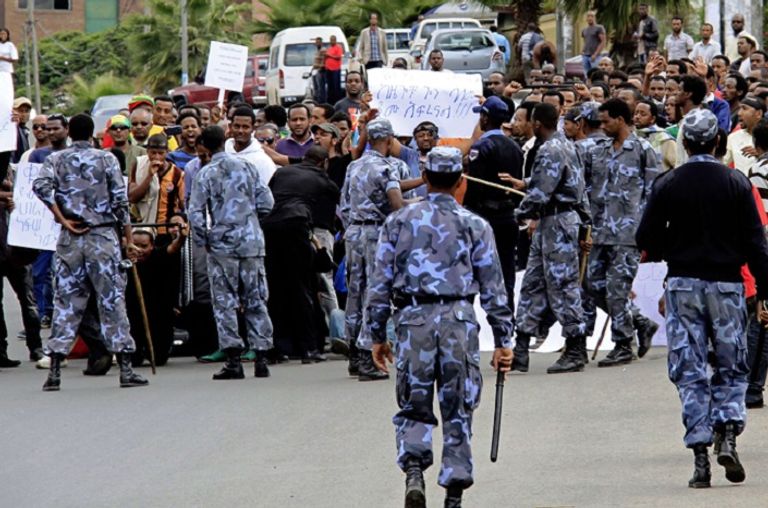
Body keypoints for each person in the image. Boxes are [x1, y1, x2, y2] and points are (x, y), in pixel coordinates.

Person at [367, 146, 513, 508]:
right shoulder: (475, 224)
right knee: (458, 407)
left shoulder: (397, 222)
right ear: (461, 181)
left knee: (414, 403)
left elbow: (379, 282)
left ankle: (415, 470)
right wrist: (503, 339)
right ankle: (454, 492)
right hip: (458, 323)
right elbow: (494, 286)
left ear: (426, 178)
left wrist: (374, 334)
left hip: (412, 320)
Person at [636, 108, 768, 488]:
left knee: (689, 368)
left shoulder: (667, 183)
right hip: (727, 286)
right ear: (716, 141)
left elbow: (646, 239)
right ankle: (727, 434)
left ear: (687, 144)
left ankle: (699, 457)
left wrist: (670, 247)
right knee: (731, 363)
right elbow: (755, 243)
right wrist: (763, 290)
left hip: (682, 285)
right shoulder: (736, 183)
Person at [32, 113, 147, 391]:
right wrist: (128, 239)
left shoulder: (55, 159)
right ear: (93, 132)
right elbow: (121, 202)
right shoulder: (106, 159)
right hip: (102, 237)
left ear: (70, 132)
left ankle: (55, 370)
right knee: (111, 301)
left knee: (67, 302)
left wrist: (60, 217)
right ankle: (126, 368)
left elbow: (40, 187)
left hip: (71, 238)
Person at [506, 103, 590, 374]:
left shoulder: (551, 149)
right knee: (532, 283)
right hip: (552, 222)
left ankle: (575, 346)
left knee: (563, 285)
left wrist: (520, 213)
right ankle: (521, 346)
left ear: (537, 123)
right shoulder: (565, 145)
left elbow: (543, 191)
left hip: (557, 221)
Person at [188, 125, 275, 380]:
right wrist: (251, 222)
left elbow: (195, 213)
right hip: (251, 241)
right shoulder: (247, 166)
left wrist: (203, 239)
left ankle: (233, 359)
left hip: (222, 244)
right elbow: (267, 202)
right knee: (256, 298)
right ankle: (261, 357)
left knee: (225, 301)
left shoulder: (205, 174)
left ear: (204, 144)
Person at [581, 99, 658, 368]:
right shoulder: (598, 151)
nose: (602, 127)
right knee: (591, 284)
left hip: (629, 233)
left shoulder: (643, 150)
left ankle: (624, 343)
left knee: (617, 288)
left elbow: (653, 193)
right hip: (601, 229)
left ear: (621, 120)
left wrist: (648, 231)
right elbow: (585, 183)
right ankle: (638, 321)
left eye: (606, 121)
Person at [340, 118, 415, 381]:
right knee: (375, 293)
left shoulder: (354, 165)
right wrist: (421, 202)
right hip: (376, 234)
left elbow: (344, 205)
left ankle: (352, 350)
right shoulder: (386, 167)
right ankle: (366, 354)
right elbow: (397, 203)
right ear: (389, 139)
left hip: (354, 233)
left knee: (355, 292)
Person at [262, 146, 338, 361]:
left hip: (270, 226)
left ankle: (277, 347)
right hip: (296, 225)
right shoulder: (322, 179)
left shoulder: (282, 172)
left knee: (275, 288)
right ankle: (308, 348)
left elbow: (268, 197)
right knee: (302, 287)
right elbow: (341, 199)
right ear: (323, 163)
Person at [463, 96, 523, 317]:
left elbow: (475, 185)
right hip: (508, 216)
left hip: (485, 217)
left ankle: (467, 322)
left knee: (471, 273)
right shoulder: (515, 147)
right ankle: (508, 323)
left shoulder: (482, 146)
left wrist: (467, 212)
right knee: (506, 274)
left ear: (485, 118)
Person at [128, 134, 185, 241]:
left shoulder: (177, 174)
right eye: (153, 153)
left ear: (167, 152)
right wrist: (149, 176)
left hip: (165, 230)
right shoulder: (139, 164)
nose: (157, 157)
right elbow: (132, 198)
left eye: (161, 153)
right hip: (142, 228)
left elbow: (183, 204)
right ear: (147, 151)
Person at [225, 105, 276, 184]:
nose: (240, 131)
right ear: (230, 127)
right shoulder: (222, 153)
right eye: (237, 126)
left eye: (245, 127)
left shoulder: (263, 161)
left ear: (253, 129)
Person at [724, 97, 765, 174]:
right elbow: (723, 163)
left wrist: (763, 155)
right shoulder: (733, 137)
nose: (739, 113)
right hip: (742, 185)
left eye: (744, 108)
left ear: (758, 113)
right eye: (739, 108)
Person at [634, 99, 677, 171]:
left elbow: (677, 165)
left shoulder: (665, 139)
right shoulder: (631, 136)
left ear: (652, 119)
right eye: (636, 113)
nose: (637, 116)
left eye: (643, 114)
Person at [581, 11, 606, 77]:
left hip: (595, 57)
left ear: (595, 18)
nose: (590, 18)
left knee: (596, 74)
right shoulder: (584, 30)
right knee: (586, 74)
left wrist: (595, 54)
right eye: (588, 16)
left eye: (592, 16)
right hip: (585, 56)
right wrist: (582, 50)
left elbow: (602, 41)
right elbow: (586, 41)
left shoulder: (599, 28)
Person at [325, 35, 343, 105]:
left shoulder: (338, 48)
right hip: (328, 69)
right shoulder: (329, 48)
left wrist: (330, 56)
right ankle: (330, 102)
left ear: (335, 40)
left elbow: (338, 57)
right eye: (330, 40)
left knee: (336, 86)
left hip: (335, 69)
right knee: (330, 87)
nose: (331, 41)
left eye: (333, 40)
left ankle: (337, 101)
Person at [311, 37, 327, 104]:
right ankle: (317, 101)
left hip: (321, 71)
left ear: (321, 43)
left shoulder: (323, 50)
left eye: (318, 42)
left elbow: (324, 61)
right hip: (316, 70)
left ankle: (321, 102)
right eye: (316, 42)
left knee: (321, 88)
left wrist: (320, 67)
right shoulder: (318, 50)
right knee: (316, 88)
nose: (317, 43)